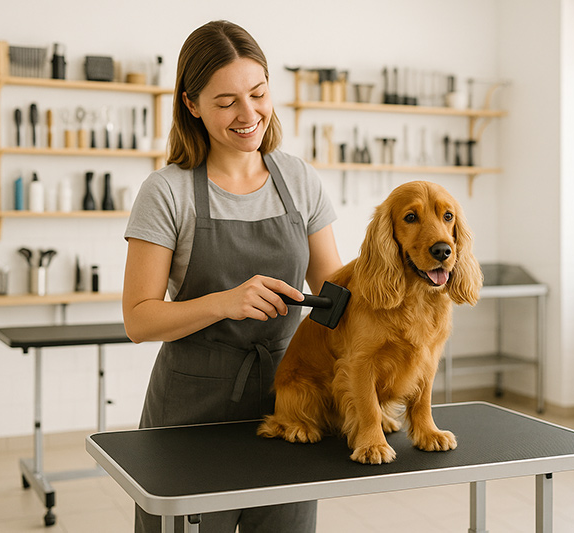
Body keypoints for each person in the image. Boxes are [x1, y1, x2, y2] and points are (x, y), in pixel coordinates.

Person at [122, 20, 342, 533]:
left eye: (259, 94)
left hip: (289, 405)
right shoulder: (167, 191)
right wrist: (225, 302)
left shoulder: (298, 178)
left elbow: (336, 298)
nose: (249, 115)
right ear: (191, 105)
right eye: (226, 103)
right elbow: (138, 319)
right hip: (191, 417)